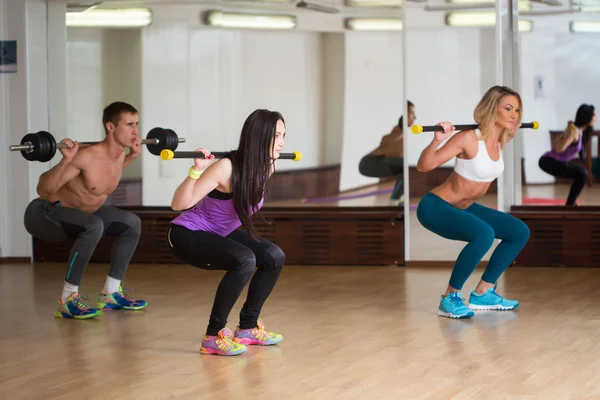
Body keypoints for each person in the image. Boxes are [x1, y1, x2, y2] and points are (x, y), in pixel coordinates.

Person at [167, 109, 286, 356]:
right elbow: (179, 204)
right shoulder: (225, 168)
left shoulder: (267, 167)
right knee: (245, 259)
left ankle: (247, 328)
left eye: (284, 135)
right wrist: (196, 170)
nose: (282, 143)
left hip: (221, 232)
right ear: (259, 137)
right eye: (276, 136)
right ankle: (213, 336)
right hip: (187, 233)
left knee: (273, 256)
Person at [415, 86, 531, 319]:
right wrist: (436, 140)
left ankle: (483, 292)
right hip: (436, 207)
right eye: (507, 109)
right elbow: (424, 166)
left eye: (517, 110)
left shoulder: (500, 138)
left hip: (464, 206)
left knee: (518, 231)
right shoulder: (468, 138)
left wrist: (508, 130)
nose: (514, 115)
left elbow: (505, 132)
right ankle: (449, 297)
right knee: (484, 234)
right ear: (491, 109)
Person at [24, 101, 148, 320]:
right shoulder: (86, 156)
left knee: (132, 223)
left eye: (136, 124)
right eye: (129, 124)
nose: (136, 131)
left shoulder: (119, 155)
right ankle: (67, 300)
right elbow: (43, 189)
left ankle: (110, 293)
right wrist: (67, 160)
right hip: (45, 214)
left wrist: (131, 157)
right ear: (111, 127)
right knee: (94, 225)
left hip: (83, 214)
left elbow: (101, 179)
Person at [358, 101, 416, 205]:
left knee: (408, 168)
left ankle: (398, 198)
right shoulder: (398, 131)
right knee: (407, 168)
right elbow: (386, 141)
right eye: (412, 113)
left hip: (377, 162)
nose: (415, 117)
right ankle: (394, 200)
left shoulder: (402, 132)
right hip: (369, 162)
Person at [538, 104, 596, 206]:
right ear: (587, 117)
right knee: (583, 174)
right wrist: (567, 131)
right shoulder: (574, 131)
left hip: (553, 162)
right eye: (594, 115)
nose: (595, 117)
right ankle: (570, 204)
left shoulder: (579, 131)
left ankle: (570, 203)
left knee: (582, 174)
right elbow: (559, 148)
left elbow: (581, 154)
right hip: (548, 162)